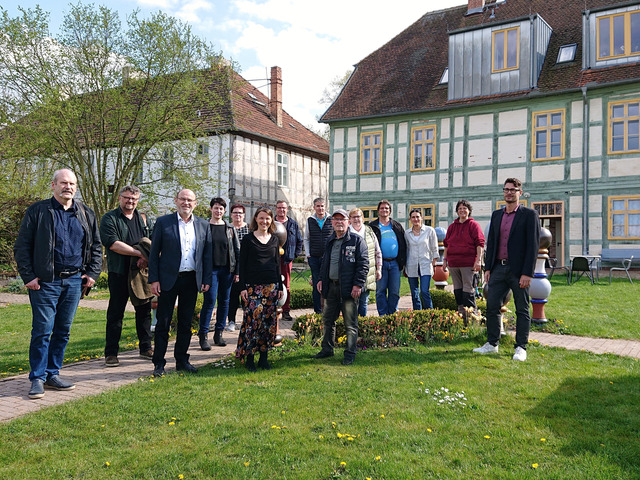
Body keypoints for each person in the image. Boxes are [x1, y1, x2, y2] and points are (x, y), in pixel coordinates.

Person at [14, 169, 102, 400]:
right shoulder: (38, 211)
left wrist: (92, 273)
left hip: (74, 281)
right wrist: (29, 276)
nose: (68, 187)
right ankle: (37, 378)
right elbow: (22, 246)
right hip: (45, 282)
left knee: (63, 331)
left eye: (72, 183)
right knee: (42, 331)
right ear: (53, 185)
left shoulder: (85, 213)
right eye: (64, 183)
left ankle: (53, 374)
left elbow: (96, 246)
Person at [474, 178, 540, 362]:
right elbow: (492, 243)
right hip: (497, 269)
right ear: (503, 192)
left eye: (513, 190)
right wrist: (488, 268)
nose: (509, 192)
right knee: (492, 306)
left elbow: (533, 246)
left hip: (518, 271)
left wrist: (528, 273)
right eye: (506, 189)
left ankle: (520, 347)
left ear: (520, 192)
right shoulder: (496, 215)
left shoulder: (529, 215)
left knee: (522, 309)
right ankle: (492, 344)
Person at [148, 189, 212, 376]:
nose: (186, 203)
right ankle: (159, 363)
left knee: (185, 323)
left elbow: (207, 255)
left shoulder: (203, 225)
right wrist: (154, 279)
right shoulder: (163, 222)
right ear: (175, 201)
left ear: (196, 203)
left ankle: (182, 360)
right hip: (168, 280)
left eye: (190, 200)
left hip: (191, 280)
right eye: (182, 199)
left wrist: (206, 278)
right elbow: (154, 254)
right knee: (163, 323)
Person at [100, 185, 154, 367]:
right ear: (120, 198)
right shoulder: (110, 218)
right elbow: (113, 244)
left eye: (134, 199)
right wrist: (139, 254)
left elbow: (152, 242)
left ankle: (146, 348)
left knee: (144, 311)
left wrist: (146, 259)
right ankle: (111, 353)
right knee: (116, 313)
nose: (130, 201)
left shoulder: (143, 219)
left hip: (140, 272)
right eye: (127, 198)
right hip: (119, 272)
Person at [312, 209, 368, 365]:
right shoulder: (330, 241)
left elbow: (363, 265)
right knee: (328, 321)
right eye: (335, 219)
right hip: (331, 288)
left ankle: (350, 353)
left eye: (342, 219)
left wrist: (358, 285)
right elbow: (325, 263)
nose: (338, 222)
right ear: (332, 223)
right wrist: (322, 280)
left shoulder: (357, 241)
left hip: (349, 289)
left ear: (348, 222)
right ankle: (327, 349)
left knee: (350, 324)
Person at [236, 207, 283, 371]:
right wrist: (242, 287)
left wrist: (280, 286)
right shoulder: (248, 239)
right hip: (252, 288)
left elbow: (278, 264)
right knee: (252, 323)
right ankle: (249, 358)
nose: (264, 221)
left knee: (268, 323)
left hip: (271, 287)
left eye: (268, 219)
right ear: (256, 219)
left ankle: (264, 358)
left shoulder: (275, 239)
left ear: (271, 221)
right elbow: (242, 265)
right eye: (261, 218)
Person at [197, 197, 240, 350]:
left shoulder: (229, 228)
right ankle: (203, 335)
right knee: (209, 302)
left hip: (227, 270)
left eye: (221, 209)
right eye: (215, 208)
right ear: (211, 209)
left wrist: (237, 272)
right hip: (211, 271)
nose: (218, 211)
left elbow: (236, 251)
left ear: (224, 211)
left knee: (224, 302)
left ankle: (219, 333)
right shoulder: (204, 227)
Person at [443, 200, 485, 320]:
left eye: (465, 208)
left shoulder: (474, 225)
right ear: (457, 211)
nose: (462, 210)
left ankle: (472, 316)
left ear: (469, 211)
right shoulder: (452, 227)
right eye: (460, 208)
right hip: (454, 263)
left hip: (468, 264)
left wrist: (478, 260)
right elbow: (446, 244)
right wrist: (445, 260)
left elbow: (480, 243)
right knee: (457, 290)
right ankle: (461, 315)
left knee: (468, 290)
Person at [369, 200, 407, 315]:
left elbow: (403, 244)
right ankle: (382, 315)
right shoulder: (373, 227)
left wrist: (403, 262)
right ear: (378, 211)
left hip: (395, 263)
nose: (384, 210)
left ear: (390, 211)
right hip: (380, 264)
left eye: (386, 208)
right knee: (380, 291)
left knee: (394, 291)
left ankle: (392, 314)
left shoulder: (396, 226)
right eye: (382, 208)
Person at [348, 207, 382, 317]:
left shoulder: (369, 231)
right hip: (350, 271)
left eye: (358, 216)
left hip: (367, 270)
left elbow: (377, 251)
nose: (356, 219)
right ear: (350, 219)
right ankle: (351, 325)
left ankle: (361, 324)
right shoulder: (346, 232)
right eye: (354, 217)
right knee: (351, 302)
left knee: (363, 301)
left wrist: (379, 268)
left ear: (362, 218)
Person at [404, 208, 439, 310]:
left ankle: (430, 313)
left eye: (417, 217)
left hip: (426, 264)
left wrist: (434, 263)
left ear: (421, 218)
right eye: (413, 217)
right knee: (414, 293)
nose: (416, 219)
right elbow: (406, 249)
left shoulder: (429, 231)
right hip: (411, 265)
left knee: (424, 291)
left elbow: (434, 248)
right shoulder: (407, 233)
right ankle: (417, 313)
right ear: (410, 219)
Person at [304, 197, 333, 313]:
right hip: (314, 258)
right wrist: (308, 254)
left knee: (330, 284)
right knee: (316, 285)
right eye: (318, 206)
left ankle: (329, 311)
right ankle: (318, 311)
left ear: (325, 207)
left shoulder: (331, 219)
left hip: (329, 258)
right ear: (314, 207)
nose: (320, 208)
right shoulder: (310, 220)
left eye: (322, 206)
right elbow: (306, 238)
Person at [275, 200, 303, 321]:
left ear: (287, 209)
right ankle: (272, 310)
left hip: (286, 259)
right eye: (279, 208)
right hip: (271, 259)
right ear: (276, 209)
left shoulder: (293, 224)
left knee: (286, 285)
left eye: (284, 208)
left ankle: (286, 310)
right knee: (272, 284)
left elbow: (299, 240)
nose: (282, 210)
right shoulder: (271, 222)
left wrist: (294, 255)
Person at [227, 203, 250, 332]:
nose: (237, 215)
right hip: (231, 267)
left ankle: (247, 320)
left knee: (247, 296)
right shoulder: (227, 228)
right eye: (235, 213)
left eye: (240, 213)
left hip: (247, 268)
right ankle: (231, 321)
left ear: (244, 215)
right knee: (232, 296)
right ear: (231, 215)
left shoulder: (249, 229)